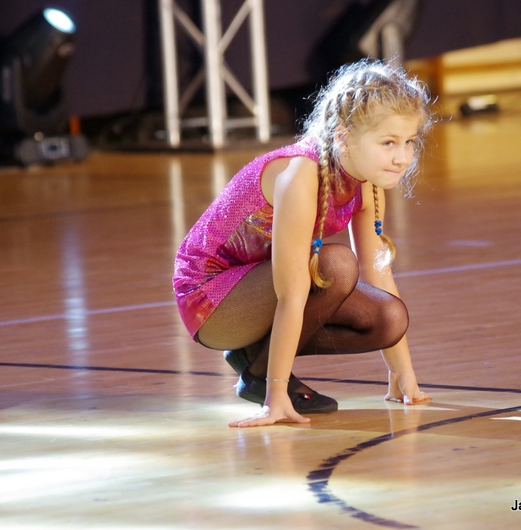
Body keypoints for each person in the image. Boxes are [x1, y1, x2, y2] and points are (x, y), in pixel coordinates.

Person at [172, 60, 433, 428]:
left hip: (258, 286)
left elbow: (379, 274)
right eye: (388, 142)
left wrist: (402, 374)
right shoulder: (301, 173)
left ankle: (256, 356)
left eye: (409, 142)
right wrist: (275, 395)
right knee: (336, 266)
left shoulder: (369, 181)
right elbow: (292, 292)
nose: (402, 157)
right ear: (343, 137)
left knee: (389, 318)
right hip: (210, 300)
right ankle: (263, 376)